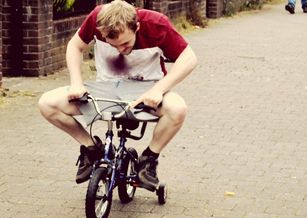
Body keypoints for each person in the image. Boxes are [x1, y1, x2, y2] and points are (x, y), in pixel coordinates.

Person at [38, 0, 197, 188]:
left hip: (146, 90)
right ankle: (92, 148)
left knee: (178, 109)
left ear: (136, 26)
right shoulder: (97, 18)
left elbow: (189, 58)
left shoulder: (156, 23)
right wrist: (76, 83)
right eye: (113, 45)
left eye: (125, 43)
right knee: (46, 103)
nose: (121, 50)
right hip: (106, 88)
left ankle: (148, 161)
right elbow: (75, 46)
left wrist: (158, 90)